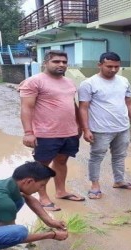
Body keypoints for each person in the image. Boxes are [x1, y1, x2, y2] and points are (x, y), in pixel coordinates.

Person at [19, 50, 85, 211]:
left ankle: (61, 192)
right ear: (45, 63)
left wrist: (80, 125)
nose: (61, 64)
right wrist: (28, 133)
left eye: (64, 62)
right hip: (45, 133)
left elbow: (73, 105)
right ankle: (42, 197)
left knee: (61, 162)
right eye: (56, 61)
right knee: (41, 167)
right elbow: (26, 107)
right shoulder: (34, 82)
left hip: (69, 132)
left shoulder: (69, 82)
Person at [78, 52, 131, 199]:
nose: (113, 70)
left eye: (116, 66)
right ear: (99, 65)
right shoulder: (89, 84)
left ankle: (119, 181)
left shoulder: (124, 81)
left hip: (122, 127)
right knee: (96, 157)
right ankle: (95, 185)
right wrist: (86, 129)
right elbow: (83, 107)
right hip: (100, 129)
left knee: (120, 156)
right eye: (109, 66)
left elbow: (129, 103)